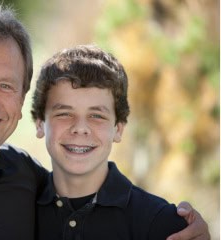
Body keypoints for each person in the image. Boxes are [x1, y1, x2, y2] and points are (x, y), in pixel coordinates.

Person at [0, 6, 209, 240]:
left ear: (22, 98)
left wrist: (179, 223)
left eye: (5, 85)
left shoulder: (23, 173)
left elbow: (87, 181)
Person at [31, 45, 210, 240]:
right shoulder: (15, 210)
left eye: (96, 115)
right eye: (64, 113)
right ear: (40, 123)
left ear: (118, 129)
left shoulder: (162, 224)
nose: (80, 128)